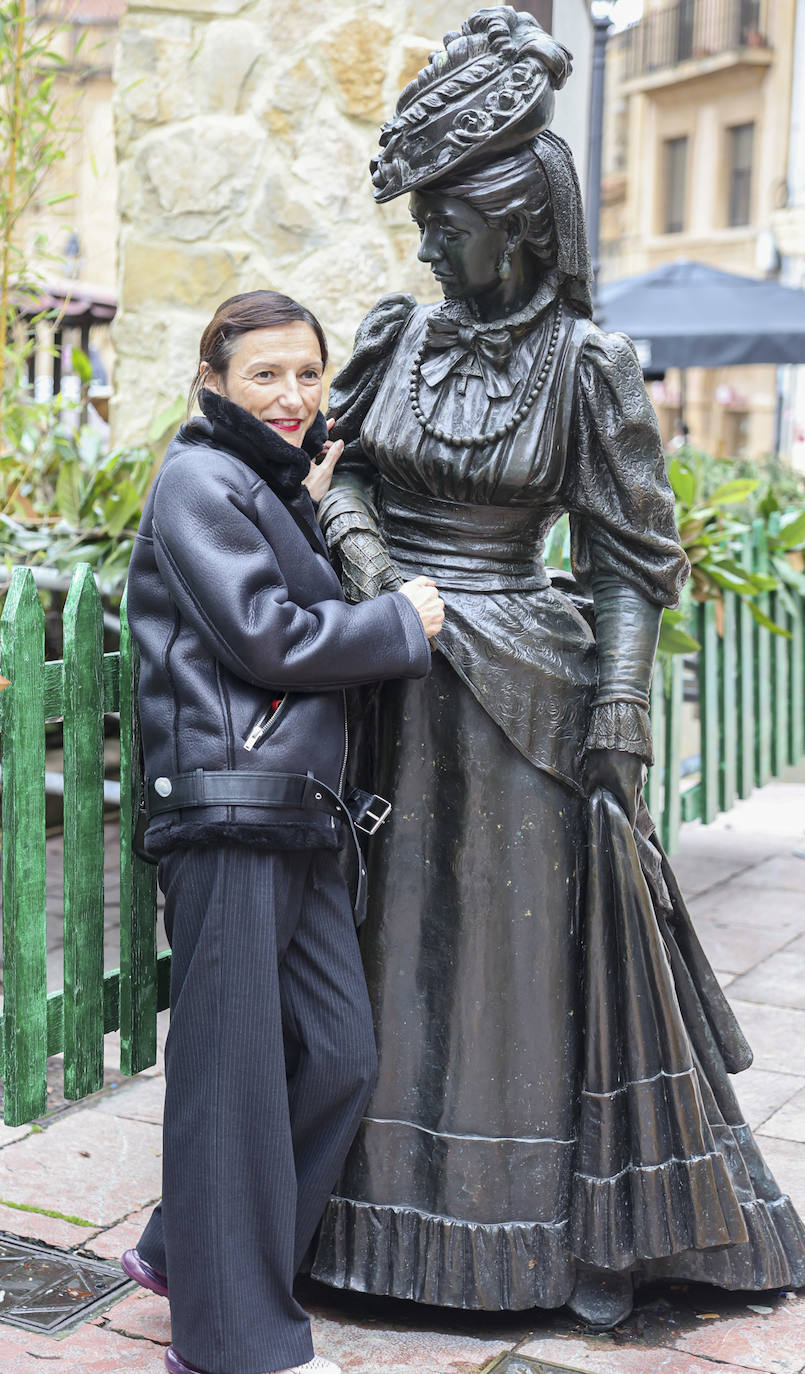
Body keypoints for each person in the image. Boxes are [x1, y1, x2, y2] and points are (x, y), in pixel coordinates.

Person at [308, 7, 805, 1330]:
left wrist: (621, 711)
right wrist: (365, 566)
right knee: (382, 950)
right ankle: (361, 1222)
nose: (423, 241)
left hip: (522, 704)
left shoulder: (583, 365)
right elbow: (341, 477)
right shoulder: (397, 339)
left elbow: (629, 557)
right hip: (389, 689)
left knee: (507, 975)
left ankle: (518, 1236)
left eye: (446, 221)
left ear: (517, 222)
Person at [121, 289, 444, 1374]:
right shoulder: (196, 480)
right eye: (265, 374)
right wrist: (404, 622)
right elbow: (267, 637)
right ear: (213, 380)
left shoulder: (256, 481)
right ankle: (229, 1343)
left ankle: (186, 1245)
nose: (294, 395)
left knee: (339, 1058)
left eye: (308, 373)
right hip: (228, 816)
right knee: (232, 1080)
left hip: (292, 814)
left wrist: (312, 497)